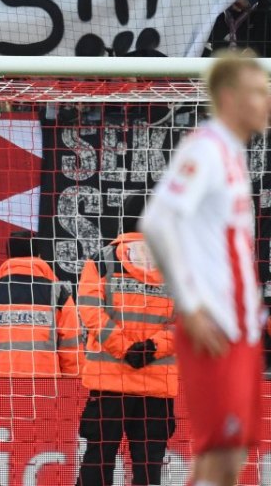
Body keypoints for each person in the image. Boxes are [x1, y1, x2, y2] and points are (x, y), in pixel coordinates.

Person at [140, 52, 268, 486]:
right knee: (220, 459)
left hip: (241, 326)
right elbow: (158, 221)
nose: (267, 100)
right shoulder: (206, 149)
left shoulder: (232, 153)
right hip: (215, 324)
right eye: (258, 91)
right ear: (229, 97)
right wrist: (191, 306)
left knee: (231, 460)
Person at [76, 196, 177, 486]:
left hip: (109, 383)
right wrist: (153, 348)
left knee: (98, 460)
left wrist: (124, 348)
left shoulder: (101, 261)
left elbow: (89, 310)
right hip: (156, 385)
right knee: (148, 466)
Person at [0, 231, 81, 377]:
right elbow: (72, 351)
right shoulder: (58, 295)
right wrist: (72, 387)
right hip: (46, 387)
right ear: (38, 255)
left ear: (8, 256)